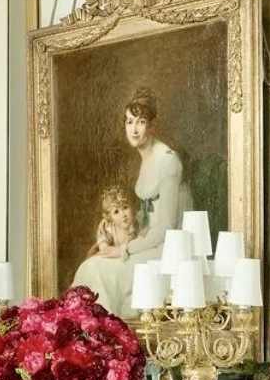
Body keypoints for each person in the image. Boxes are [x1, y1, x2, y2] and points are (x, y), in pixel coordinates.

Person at [73, 88, 192, 317]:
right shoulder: (145, 157)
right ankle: (92, 330)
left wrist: (124, 249)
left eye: (141, 122)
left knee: (98, 269)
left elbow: (165, 226)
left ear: (152, 126)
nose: (134, 129)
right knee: (92, 264)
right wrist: (116, 226)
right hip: (145, 241)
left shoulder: (168, 162)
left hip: (166, 249)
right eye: (129, 121)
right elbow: (145, 216)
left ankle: (106, 329)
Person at [85, 185, 139, 259]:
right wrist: (105, 248)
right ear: (111, 219)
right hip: (114, 257)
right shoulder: (111, 228)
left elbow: (135, 239)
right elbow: (103, 240)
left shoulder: (134, 224)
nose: (123, 214)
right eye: (116, 212)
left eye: (125, 207)